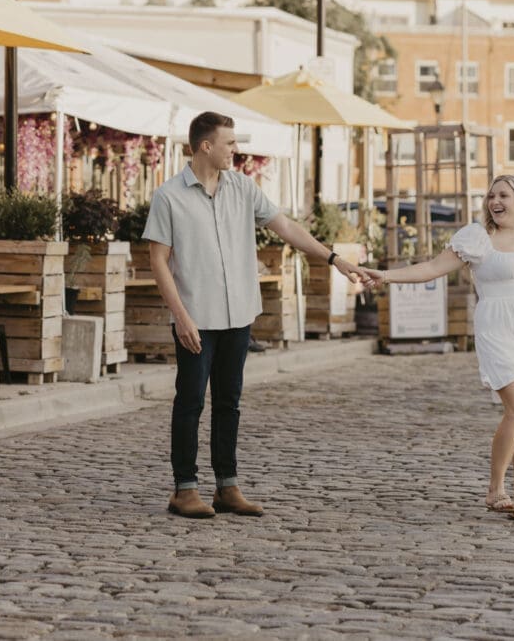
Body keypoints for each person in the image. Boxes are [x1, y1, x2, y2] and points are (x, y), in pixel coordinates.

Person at [143, 111, 362, 519]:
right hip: (196, 319)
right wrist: (182, 317)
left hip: (238, 315)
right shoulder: (169, 196)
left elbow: (288, 229)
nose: (236, 150)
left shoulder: (244, 188)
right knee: (190, 402)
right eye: (229, 143)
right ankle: (184, 489)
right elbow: (159, 261)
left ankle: (227, 486)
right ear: (206, 146)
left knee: (230, 402)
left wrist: (333, 258)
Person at [358, 175, 514, 521]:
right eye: (491, 196)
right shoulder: (478, 239)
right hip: (498, 329)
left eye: (503, 195)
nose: (494, 201)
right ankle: (495, 488)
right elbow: (432, 268)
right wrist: (385, 276)